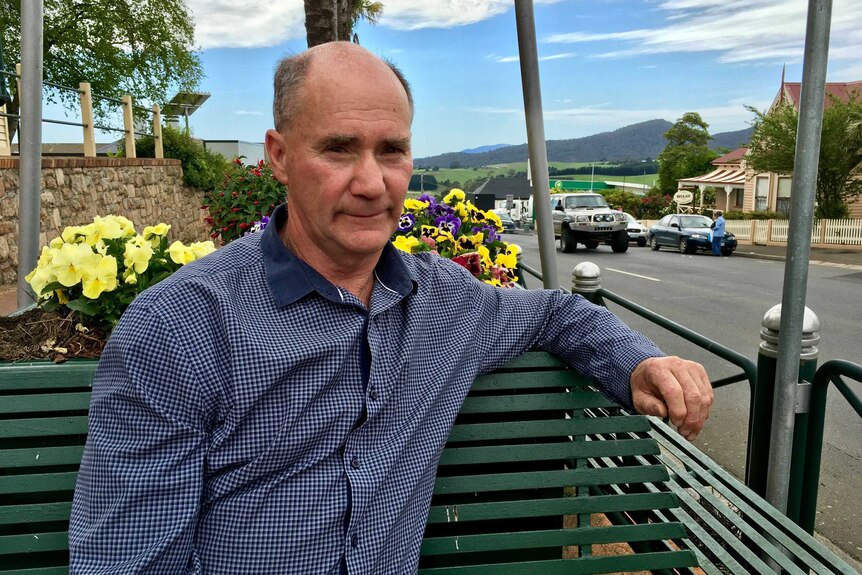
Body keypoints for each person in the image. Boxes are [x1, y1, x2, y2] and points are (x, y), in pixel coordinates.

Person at [68, 42, 713, 574]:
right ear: (280, 157)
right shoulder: (180, 328)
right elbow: (126, 560)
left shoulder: (441, 301)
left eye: (392, 151)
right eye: (339, 148)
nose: (372, 183)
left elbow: (554, 314)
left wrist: (638, 365)